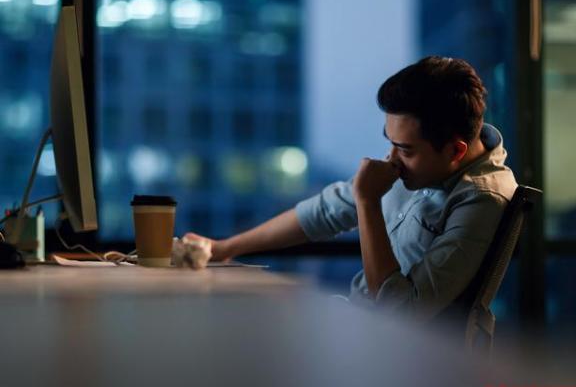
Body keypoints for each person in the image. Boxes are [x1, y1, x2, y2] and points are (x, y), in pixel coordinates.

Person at [185, 56, 517, 322]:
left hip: (406, 358)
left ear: (456, 151)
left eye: (406, 149)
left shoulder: (482, 198)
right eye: (390, 143)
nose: (392, 159)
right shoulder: (424, 166)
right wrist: (224, 247)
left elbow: (399, 312)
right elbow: (324, 212)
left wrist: (368, 201)